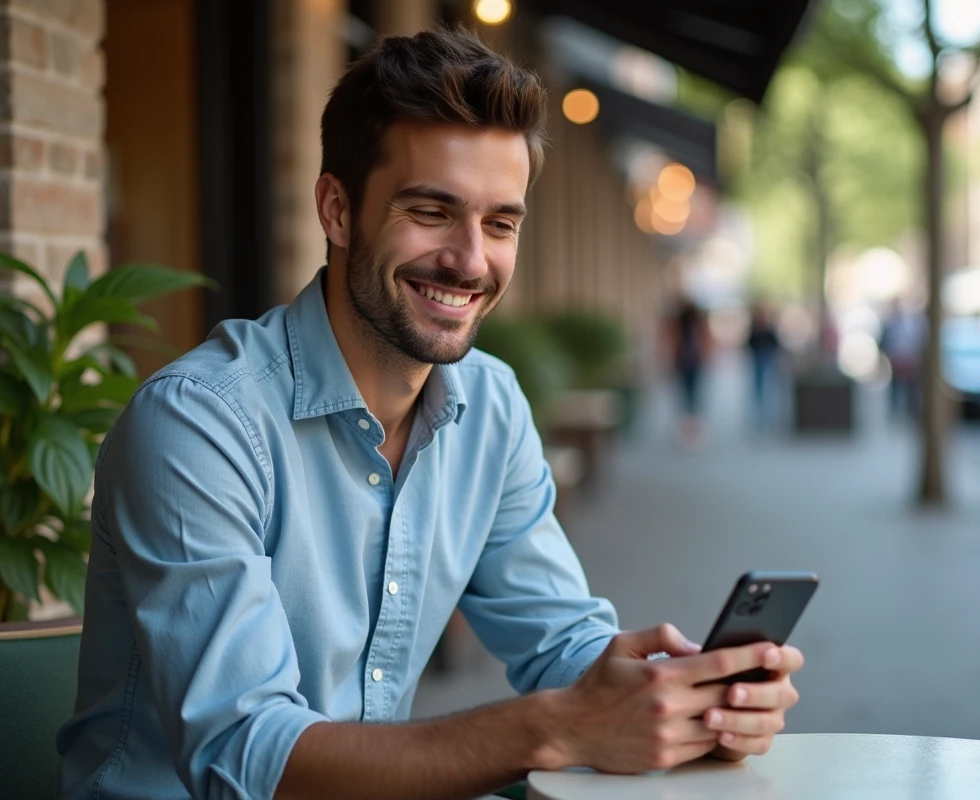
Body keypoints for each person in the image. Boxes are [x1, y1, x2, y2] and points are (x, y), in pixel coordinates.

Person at [57, 29, 804, 800]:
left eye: (501, 224)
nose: (471, 260)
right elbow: (246, 757)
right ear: (337, 210)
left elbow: (559, 641)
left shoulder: (491, 406)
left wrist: (675, 696)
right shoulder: (198, 426)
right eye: (432, 210)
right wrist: (558, 727)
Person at [667, 296, 714, 448]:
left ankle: (691, 429)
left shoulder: (695, 324)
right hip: (686, 362)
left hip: (691, 362)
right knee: (689, 395)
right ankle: (690, 429)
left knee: (691, 395)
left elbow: (706, 340)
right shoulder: (681, 324)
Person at [879, 300, 926, 420]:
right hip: (896, 360)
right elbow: (885, 342)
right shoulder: (890, 323)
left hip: (910, 361)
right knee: (895, 388)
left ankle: (910, 411)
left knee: (910, 389)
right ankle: (894, 411)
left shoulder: (913, 323)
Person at [746, 302, 782, 428]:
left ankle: (767, 412)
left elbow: (775, 343)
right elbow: (749, 343)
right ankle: (760, 412)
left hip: (767, 360)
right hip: (758, 360)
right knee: (759, 386)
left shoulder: (768, 327)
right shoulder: (754, 327)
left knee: (768, 386)